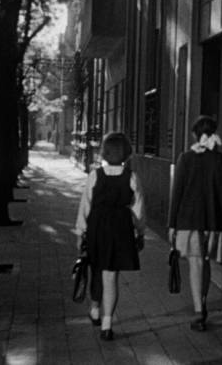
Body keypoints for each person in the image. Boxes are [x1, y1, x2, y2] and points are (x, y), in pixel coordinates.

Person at [169, 115, 222, 332]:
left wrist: (171, 224)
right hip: (214, 221)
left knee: (196, 263)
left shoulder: (185, 159)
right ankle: (203, 303)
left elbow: (177, 193)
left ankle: (200, 310)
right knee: (206, 262)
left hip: (189, 221)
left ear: (195, 135)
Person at [75, 132, 145, 341]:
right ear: (127, 153)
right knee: (111, 274)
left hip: (97, 226)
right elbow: (139, 209)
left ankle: (95, 309)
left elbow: (85, 205)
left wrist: (80, 231)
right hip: (121, 227)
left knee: (96, 267)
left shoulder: (95, 175)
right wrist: (140, 232)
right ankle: (107, 324)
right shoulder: (132, 177)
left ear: (105, 152)